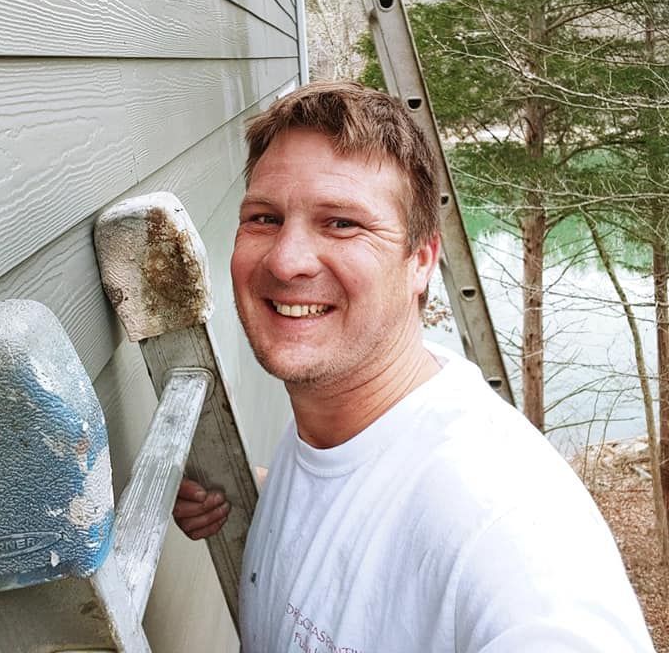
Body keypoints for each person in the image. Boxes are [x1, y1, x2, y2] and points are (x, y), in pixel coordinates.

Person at [174, 81, 655, 652]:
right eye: (263, 218)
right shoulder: (339, 422)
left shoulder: (507, 523)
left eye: (342, 223)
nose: (287, 259)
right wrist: (262, 492)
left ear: (420, 261)